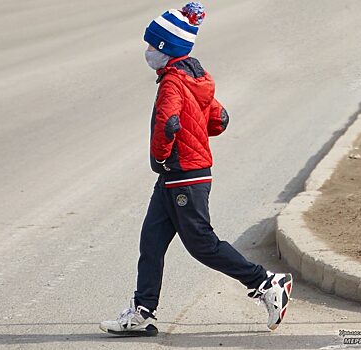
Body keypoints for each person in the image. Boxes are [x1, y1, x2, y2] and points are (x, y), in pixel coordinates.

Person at [100, 2, 292, 337]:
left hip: (183, 175)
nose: (147, 52)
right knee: (152, 242)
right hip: (178, 176)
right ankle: (143, 312)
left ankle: (266, 283)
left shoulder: (173, 83)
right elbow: (218, 119)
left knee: (202, 244)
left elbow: (167, 123)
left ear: (165, 49)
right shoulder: (195, 76)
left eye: (151, 46)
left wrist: (160, 157)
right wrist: (191, 131)